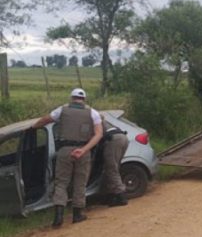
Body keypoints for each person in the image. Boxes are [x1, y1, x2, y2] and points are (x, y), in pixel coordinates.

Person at [31, 88, 103, 228]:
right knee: (80, 182)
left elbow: (46, 119)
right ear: (84, 99)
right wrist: (83, 150)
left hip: (65, 150)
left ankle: (58, 217)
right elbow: (98, 134)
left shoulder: (61, 110)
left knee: (61, 182)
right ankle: (77, 215)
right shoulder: (93, 113)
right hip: (83, 150)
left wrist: (34, 126)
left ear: (72, 97)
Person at [100, 116, 129, 207]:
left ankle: (121, 196)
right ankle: (111, 196)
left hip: (113, 139)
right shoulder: (102, 119)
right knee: (114, 167)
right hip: (122, 137)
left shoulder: (91, 120)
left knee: (111, 168)